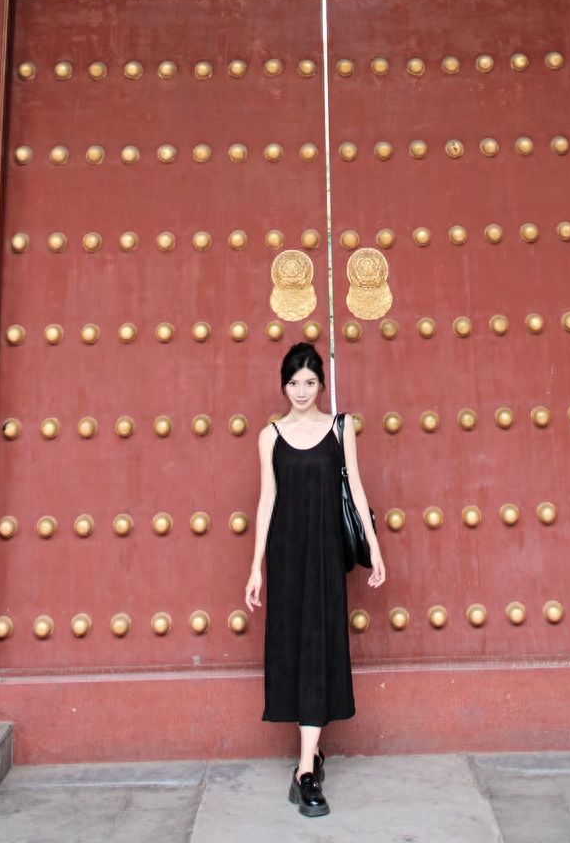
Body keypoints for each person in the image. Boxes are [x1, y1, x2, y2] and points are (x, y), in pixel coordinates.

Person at [245, 341, 385, 817]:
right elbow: (267, 502)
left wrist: (375, 549)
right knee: (293, 647)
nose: (301, 391)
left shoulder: (340, 428)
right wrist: (255, 567)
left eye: (309, 382)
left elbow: (357, 488)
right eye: (293, 383)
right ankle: (310, 756)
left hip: (325, 555)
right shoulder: (270, 436)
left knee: (319, 646)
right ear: (283, 386)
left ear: (320, 384)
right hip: (286, 555)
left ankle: (305, 770)